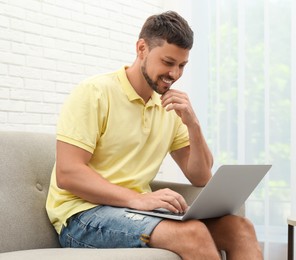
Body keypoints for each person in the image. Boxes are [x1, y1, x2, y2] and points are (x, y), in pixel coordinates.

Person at [46, 10, 263, 260]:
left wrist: (193, 124)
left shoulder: (169, 107)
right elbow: (68, 173)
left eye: (182, 65)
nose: (175, 74)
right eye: (168, 62)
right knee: (191, 233)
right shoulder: (94, 92)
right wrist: (137, 199)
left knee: (240, 228)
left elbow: (201, 176)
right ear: (142, 49)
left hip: (137, 213)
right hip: (82, 217)